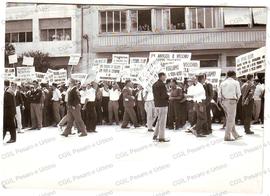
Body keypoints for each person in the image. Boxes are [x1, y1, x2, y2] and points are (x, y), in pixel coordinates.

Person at [218, 71, 242, 141]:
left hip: (224, 101)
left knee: (230, 118)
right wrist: (236, 101)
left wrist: (221, 102)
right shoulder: (236, 82)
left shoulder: (222, 83)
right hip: (232, 101)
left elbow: (219, 94)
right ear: (233, 75)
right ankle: (227, 136)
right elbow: (239, 94)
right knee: (231, 119)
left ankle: (235, 134)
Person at [152, 72, 170, 142]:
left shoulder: (154, 84)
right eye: (165, 76)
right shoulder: (162, 84)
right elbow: (163, 96)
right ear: (162, 76)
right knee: (162, 121)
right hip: (163, 104)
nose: (165, 77)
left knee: (159, 120)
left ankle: (155, 135)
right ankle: (161, 137)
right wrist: (168, 95)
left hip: (157, 104)